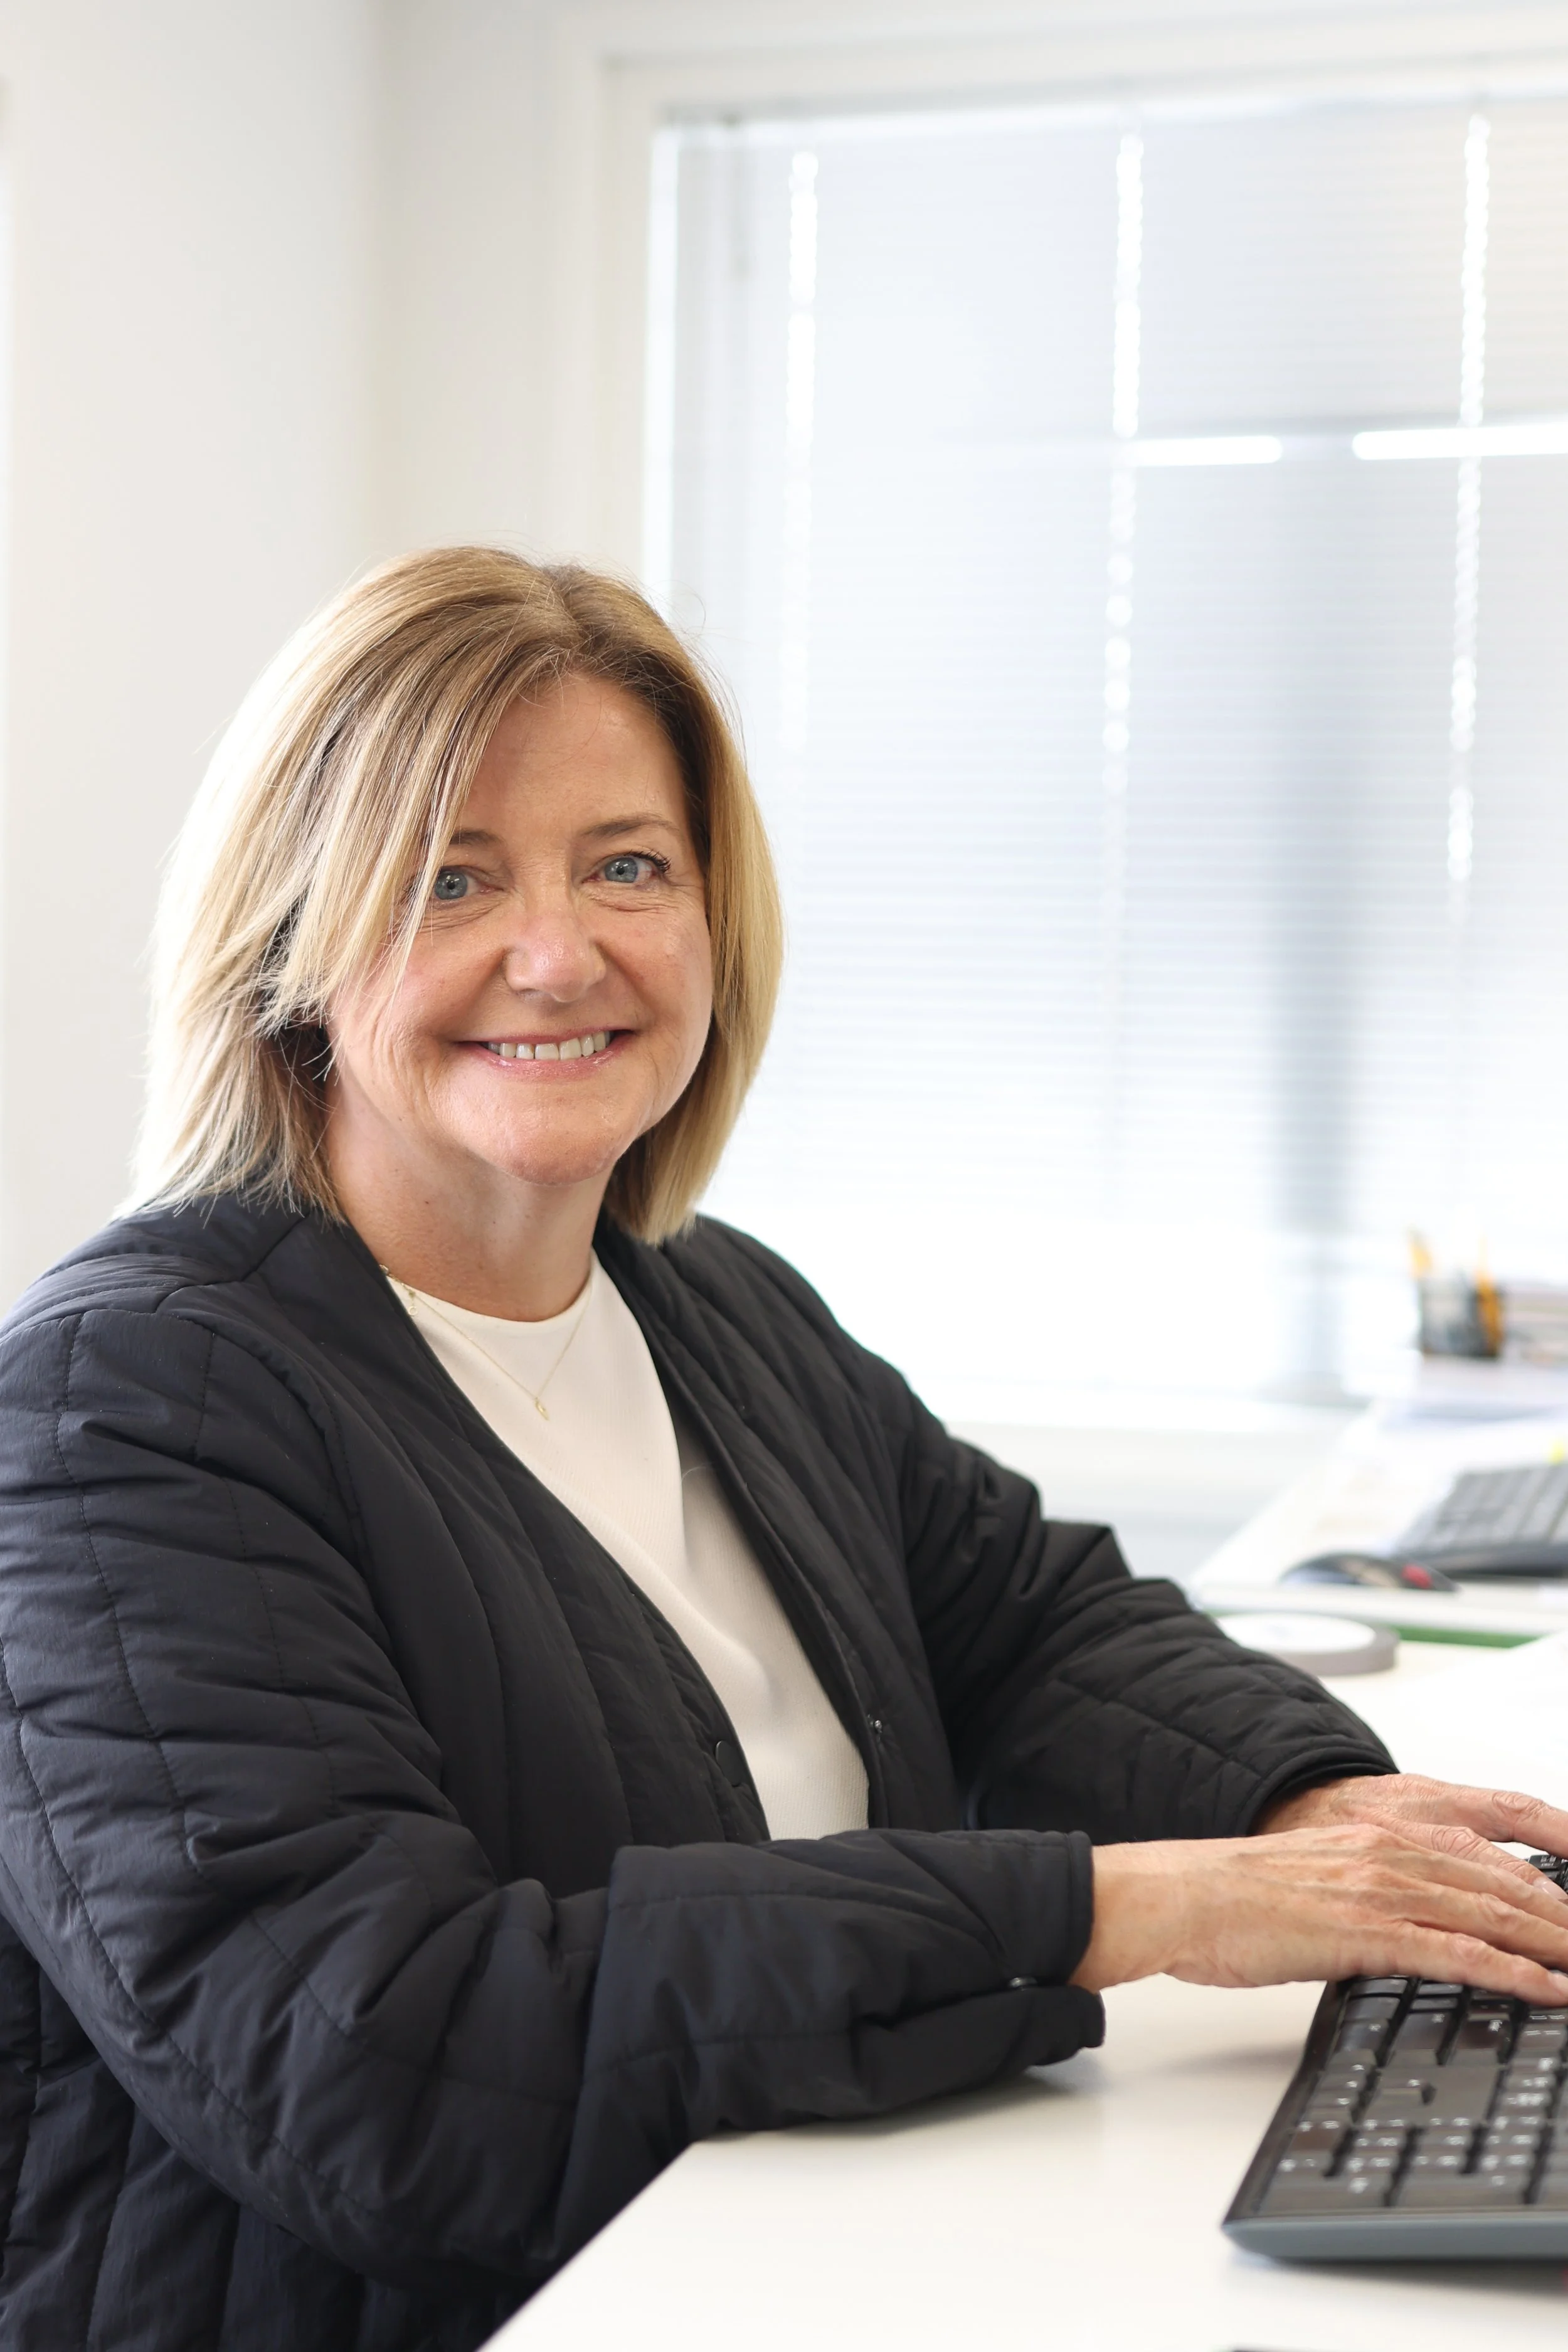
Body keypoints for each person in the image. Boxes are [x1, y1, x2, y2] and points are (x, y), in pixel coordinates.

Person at [1, 548, 1565, 2352]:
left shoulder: (707, 1306)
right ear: (289, 945)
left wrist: (1306, 1812)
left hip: (816, 2252)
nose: (557, 951)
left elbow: (1031, 1618)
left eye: (628, 865)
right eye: (450, 877)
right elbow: (382, 2055)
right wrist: (1124, 1908)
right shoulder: (126, 1410)